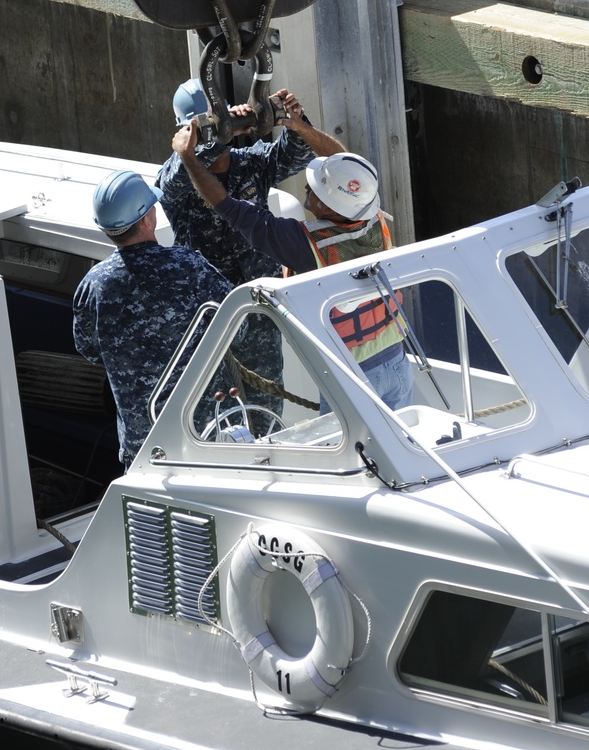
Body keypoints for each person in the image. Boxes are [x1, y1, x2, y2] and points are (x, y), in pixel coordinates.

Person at [170, 126, 413, 411]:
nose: (307, 187)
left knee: (348, 456)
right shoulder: (371, 213)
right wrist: (299, 125)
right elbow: (348, 169)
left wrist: (187, 157)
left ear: (330, 205)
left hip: (351, 377)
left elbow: (228, 207)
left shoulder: (304, 244)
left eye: (317, 188)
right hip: (397, 363)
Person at [156, 78, 342, 412]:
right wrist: (220, 133)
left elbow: (296, 156)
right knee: (217, 410)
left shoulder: (251, 163)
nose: (214, 134)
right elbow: (171, 181)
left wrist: (290, 119)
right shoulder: (179, 177)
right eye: (205, 127)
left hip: (258, 310)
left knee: (267, 407)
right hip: (211, 316)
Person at [72, 169, 232, 468]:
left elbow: (89, 350)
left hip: (143, 447)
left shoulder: (93, 285)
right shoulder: (189, 266)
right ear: (146, 219)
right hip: (203, 436)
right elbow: (239, 324)